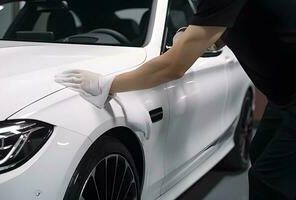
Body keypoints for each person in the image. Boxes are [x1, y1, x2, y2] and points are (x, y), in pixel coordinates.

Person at [55, 0, 296, 199]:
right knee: (261, 150)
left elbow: (172, 67)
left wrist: (106, 84)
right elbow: (225, 30)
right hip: (283, 97)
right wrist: (192, 35)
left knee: (270, 182)